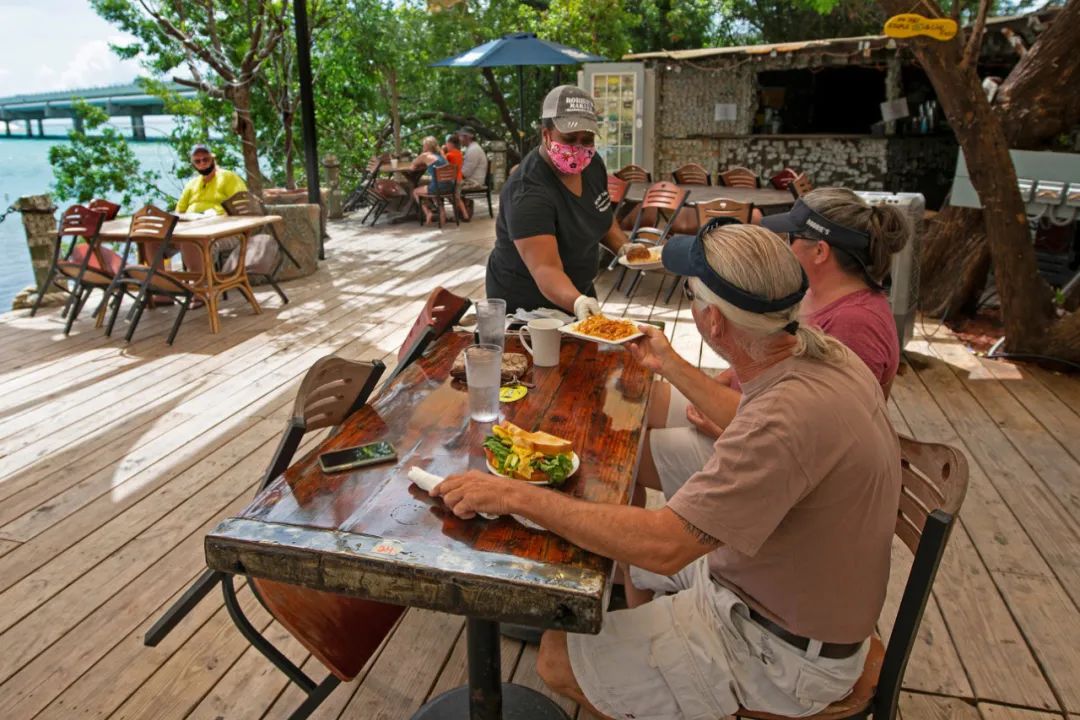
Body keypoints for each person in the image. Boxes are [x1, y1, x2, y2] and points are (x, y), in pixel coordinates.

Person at [433, 223, 902, 720]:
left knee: (556, 656)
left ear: (714, 322)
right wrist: (669, 363)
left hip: (783, 652)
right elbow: (753, 424)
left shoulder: (782, 421)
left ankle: (667, 683)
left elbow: (664, 546)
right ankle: (651, 646)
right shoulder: (822, 358)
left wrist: (512, 495)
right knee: (634, 481)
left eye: (689, 293)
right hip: (794, 587)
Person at [643, 188, 911, 499]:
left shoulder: (857, 324)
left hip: (768, 456)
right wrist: (719, 384)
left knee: (627, 453)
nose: (781, 247)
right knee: (638, 402)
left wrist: (725, 429)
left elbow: (815, 438)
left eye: (789, 238)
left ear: (820, 251)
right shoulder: (810, 294)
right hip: (745, 414)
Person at [485, 85, 640, 317]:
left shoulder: (593, 164)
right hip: (526, 302)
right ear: (546, 134)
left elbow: (601, 215)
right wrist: (577, 302)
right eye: (569, 138)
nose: (578, 148)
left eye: (587, 140)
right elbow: (545, 268)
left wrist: (624, 247)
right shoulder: (527, 192)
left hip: (578, 289)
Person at [144, 145, 247, 302]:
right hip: (192, 228)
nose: (202, 163)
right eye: (197, 161)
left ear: (213, 159)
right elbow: (180, 212)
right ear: (193, 164)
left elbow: (241, 205)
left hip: (223, 232)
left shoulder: (228, 177)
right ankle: (163, 290)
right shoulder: (191, 184)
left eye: (205, 159)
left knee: (190, 240)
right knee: (151, 241)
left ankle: (201, 291)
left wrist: (218, 217)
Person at [410, 136, 456, 226]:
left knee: (415, 191)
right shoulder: (441, 155)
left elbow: (412, 167)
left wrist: (421, 160)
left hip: (438, 188)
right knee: (435, 189)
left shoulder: (425, 155)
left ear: (426, 146)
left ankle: (428, 213)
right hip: (450, 186)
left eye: (423, 145)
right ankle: (442, 216)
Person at [458, 126, 489, 191]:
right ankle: (465, 201)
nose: (459, 139)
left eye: (460, 136)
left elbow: (465, 173)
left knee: (446, 186)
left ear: (467, 137)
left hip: (474, 182)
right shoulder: (472, 148)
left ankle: (459, 201)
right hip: (473, 180)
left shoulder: (473, 150)